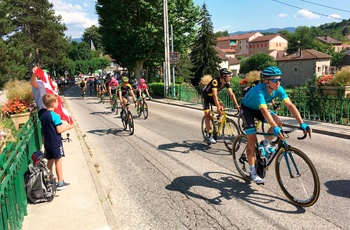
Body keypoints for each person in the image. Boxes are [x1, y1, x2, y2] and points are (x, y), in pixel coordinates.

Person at [241, 66, 312, 184]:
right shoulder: (259, 91)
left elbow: (290, 105)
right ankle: (253, 172)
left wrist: (302, 124)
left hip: (259, 109)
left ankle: (265, 143)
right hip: (247, 109)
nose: (278, 82)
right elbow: (264, 111)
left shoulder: (279, 89)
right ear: (266, 81)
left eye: (279, 79)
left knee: (278, 121)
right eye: (275, 80)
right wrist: (274, 128)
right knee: (252, 140)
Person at [40, 94, 74, 190]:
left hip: (47, 143)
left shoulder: (43, 116)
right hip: (56, 142)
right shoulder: (55, 116)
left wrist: (44, 142)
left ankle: (49, 180)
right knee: (58, 161)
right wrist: (68, 127)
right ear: (52, 103)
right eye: (57, 102)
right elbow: (59, 130)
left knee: (49, 161)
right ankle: (60, 182)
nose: (58, 103)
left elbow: (43, 130)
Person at [201, 68, 240, 144]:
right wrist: (218, 107)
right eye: (229, 76)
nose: (231, 77)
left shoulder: (227, 83)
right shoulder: (215, 81)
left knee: (223, 106)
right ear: (224, 76)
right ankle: (210, 135)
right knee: (207, 115)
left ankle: (218, 120)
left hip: (212, 97)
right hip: (205, 97)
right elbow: (215, 95)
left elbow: (232, 94)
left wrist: (237, 105)